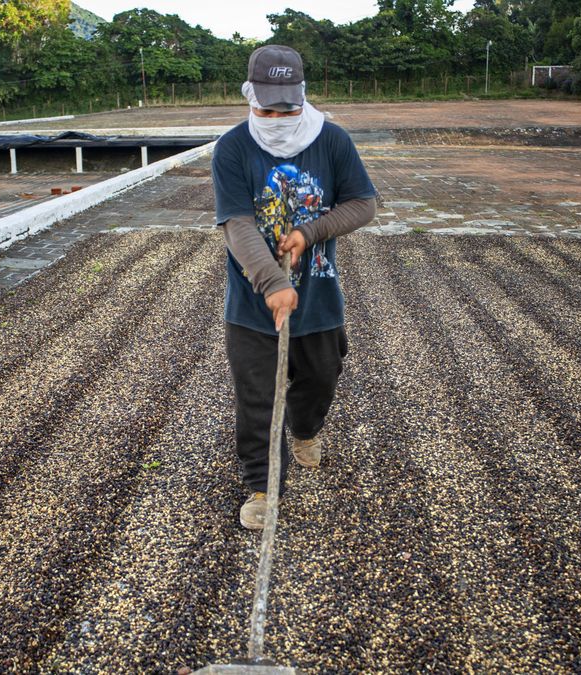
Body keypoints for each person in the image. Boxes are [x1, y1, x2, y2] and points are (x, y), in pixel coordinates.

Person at [212, 45, 377, 530]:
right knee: (257, 396)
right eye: (267, 108)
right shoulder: (233, 148)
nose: (278, 117)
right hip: (252, 299)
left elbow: (363, 204)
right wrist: (272, 281)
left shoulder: (332, 141)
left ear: (302, 96)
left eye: (288, 107)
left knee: (322, 373)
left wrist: (309, 232)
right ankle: (264, 486)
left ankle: (305, 430)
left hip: (318, 293)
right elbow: (238, 224)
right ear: (250, 96)